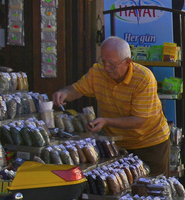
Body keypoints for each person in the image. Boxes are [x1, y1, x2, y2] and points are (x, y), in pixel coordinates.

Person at [53, 37, 171, 175]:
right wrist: (64, 93)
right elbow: (77, 90)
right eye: (103, 61)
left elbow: (139, 120)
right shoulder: (98, 72)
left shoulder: (144, 78)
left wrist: (106, 121)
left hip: (150, 143)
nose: (107, 68)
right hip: (117, 144)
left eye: (112, 64)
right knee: (120, 187)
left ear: (127, 62)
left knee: (153, 187)